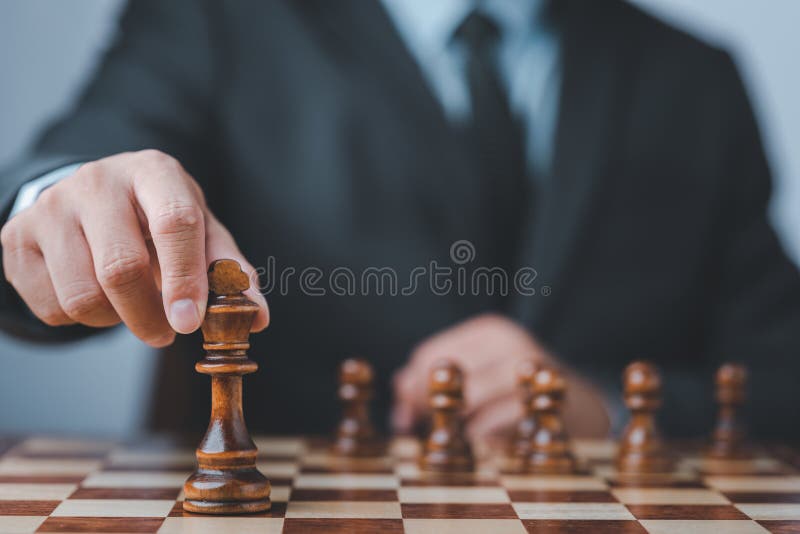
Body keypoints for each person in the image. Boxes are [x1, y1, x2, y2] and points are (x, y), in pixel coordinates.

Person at [1, 0, 799, 440]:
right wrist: (61, 202)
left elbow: (783, 380)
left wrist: (610, 412)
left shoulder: (696, 78)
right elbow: (86, 157)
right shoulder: (215, 20)